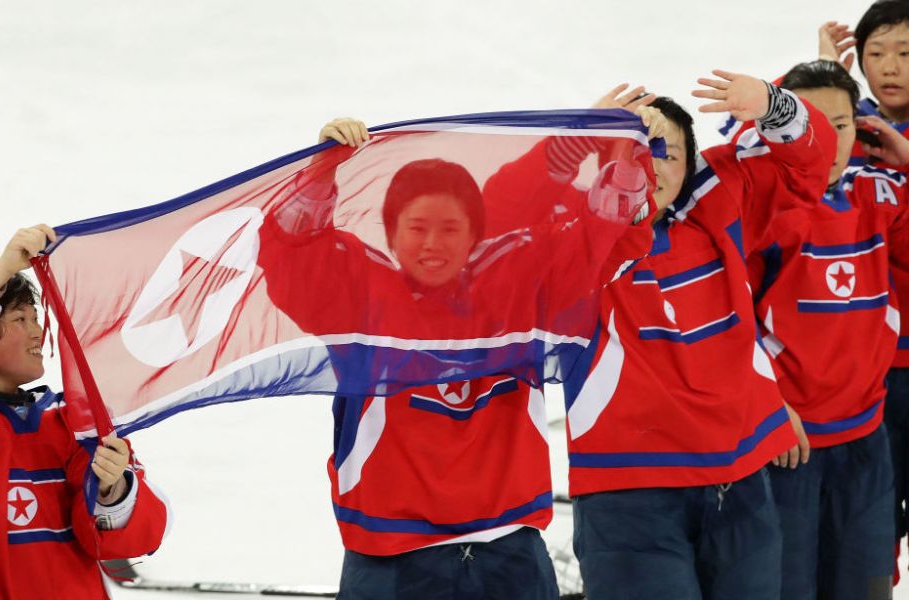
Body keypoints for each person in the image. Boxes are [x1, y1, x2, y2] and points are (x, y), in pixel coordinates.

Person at [260, 111, 661, 599]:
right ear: (391, 232)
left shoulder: (521, 293)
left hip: (508, 550)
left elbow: (606, 242)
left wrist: (629, 158)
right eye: (417, 227)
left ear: (474, 233)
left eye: (450, 228)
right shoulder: (358, 299)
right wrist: (323, 171)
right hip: (390, 554)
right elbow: (290, 250)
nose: (432, 243)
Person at [518, 72, 834, 599]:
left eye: (668, 153)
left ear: (689, 168)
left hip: (740, 484)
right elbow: (499, 212)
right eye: (635, 149)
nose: (652, 165)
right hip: (629, 495)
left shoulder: (719, 209)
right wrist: (577, 140)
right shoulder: (571, 238)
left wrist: (775, 105)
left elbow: (807, 165)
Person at [0, 225, 171, 599]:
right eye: (21, 320)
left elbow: (127, 543)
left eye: (37, 318)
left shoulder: (73, 422)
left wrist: (115, 489)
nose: (39, 333)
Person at [733, 59, 909, 599]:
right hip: (787, 446)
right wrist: (765, 403)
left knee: (866, 589)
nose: (826, 142)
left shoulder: (877, 192)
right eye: (808, 125)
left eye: (839, 125)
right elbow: (722, 322)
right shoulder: (751, 208)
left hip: (866, 440)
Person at [819, 4, 909, 580]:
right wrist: (825, 82)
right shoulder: (846, 130)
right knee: (868, 533)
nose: (889, 67)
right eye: (874, 53)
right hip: (866, 371)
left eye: (904, 52)